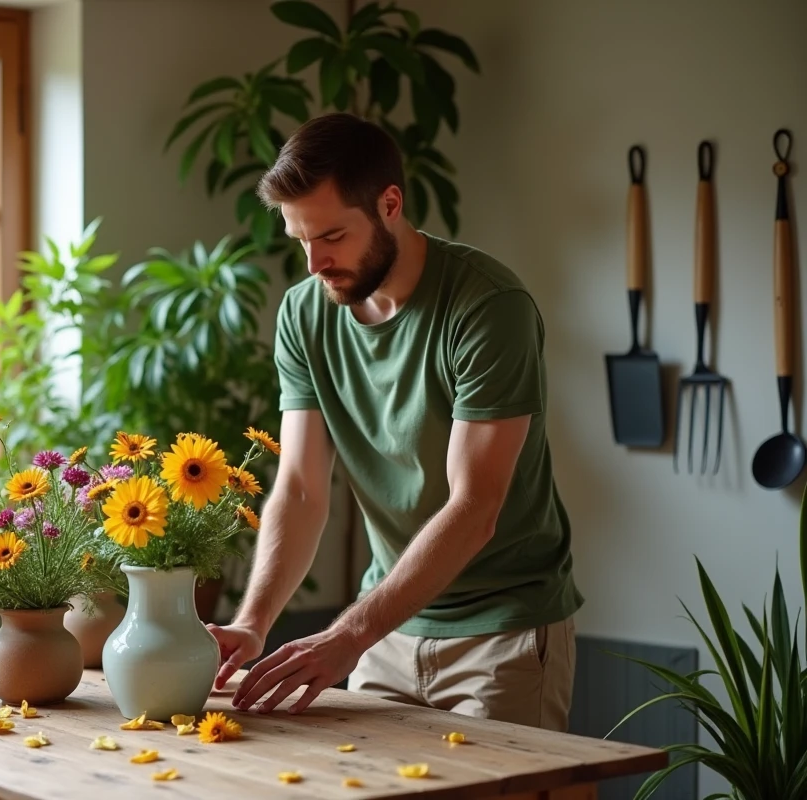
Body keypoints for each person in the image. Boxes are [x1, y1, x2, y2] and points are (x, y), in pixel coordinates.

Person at [206, 112, 583, 732]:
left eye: (331, 236)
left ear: (389, 204)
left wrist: (347, 632)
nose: (314, 263)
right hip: (385, 632)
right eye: (301, 240)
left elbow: (476, 506)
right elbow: (300, 489)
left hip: (501, 637)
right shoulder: (305, 314)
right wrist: (252, 622)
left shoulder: (488, 308)